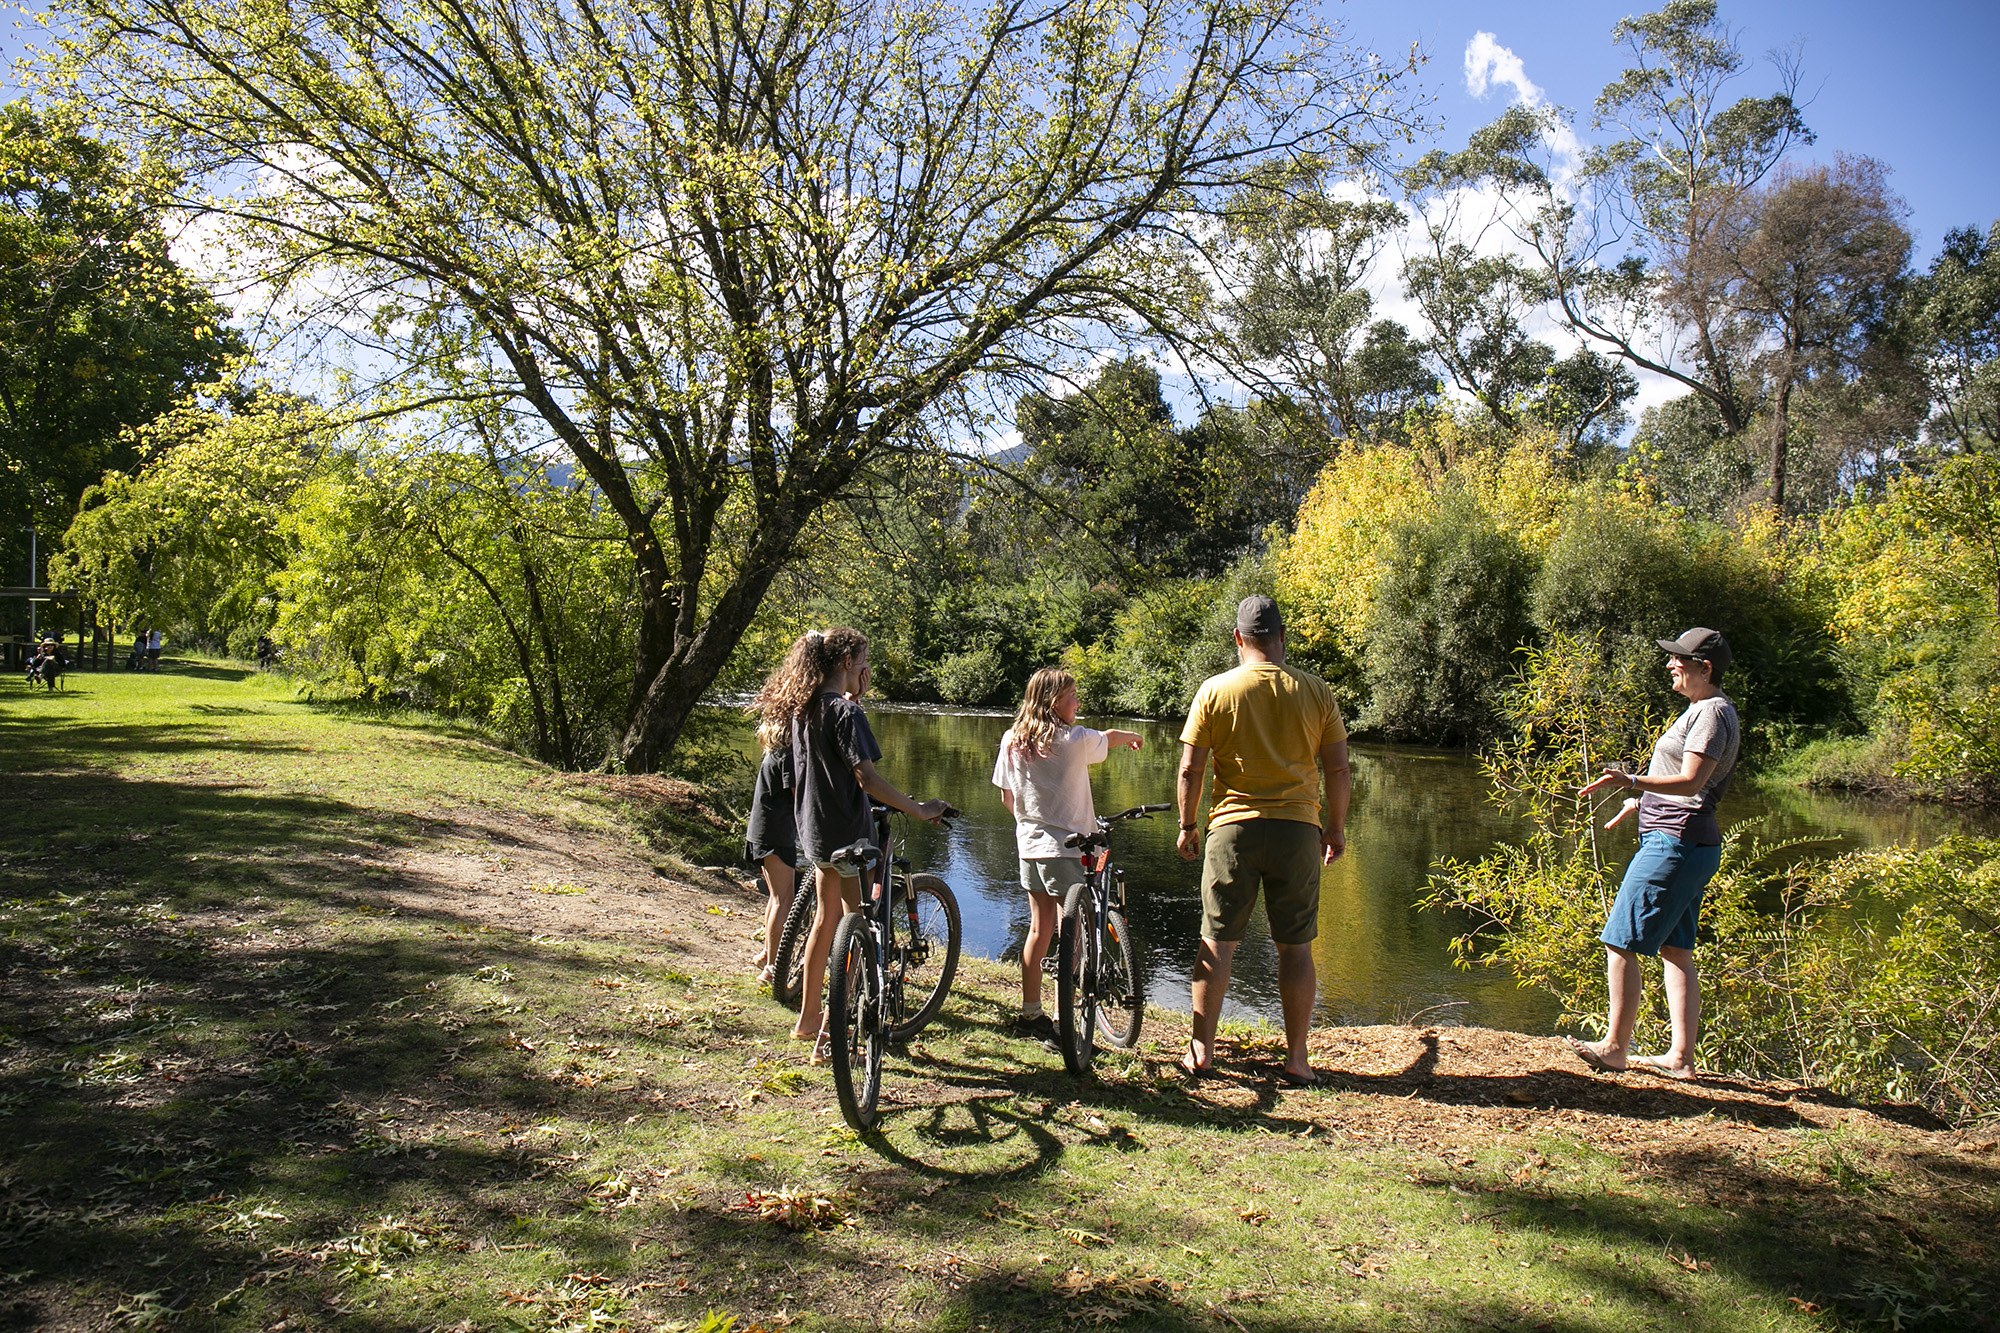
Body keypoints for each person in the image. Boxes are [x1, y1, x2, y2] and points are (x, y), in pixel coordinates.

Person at [1175, 594, 1349, 1085]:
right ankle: (1297, 1060)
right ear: (1282, 638)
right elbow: (1337, 767)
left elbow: (1191, 767)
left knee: (1218, 941)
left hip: (1233, 830)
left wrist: (1188, 825)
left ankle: (1201, 1052)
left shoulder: (1215, 689)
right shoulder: (1317, 691)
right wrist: (1334, 828)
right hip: (1298, 830)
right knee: (1296, 948)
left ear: (1238, 639)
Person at [751, 628, 948, 1056]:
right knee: (862, 927)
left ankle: (807, 1020)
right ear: (846, 663)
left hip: (817, 835)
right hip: (852, 836)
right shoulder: (845, 713)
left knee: (826, 922)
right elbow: (868, 779)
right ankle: (835, 1031)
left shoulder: (804, 710)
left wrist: (853, 697)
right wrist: (920, 808)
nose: (866, 669)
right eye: (863, 661)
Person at [1572, 627, 1740, 1080]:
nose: (1671, 665)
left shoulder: (1709, 713)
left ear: (1704, 668)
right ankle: (1680, 1059)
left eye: (1679, 660)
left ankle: (1613, 1048)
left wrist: (1631, 781)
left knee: (1620, 940)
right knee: (1675, 947)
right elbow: (1682, 783)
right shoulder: (1707, 709)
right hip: (1690, 841)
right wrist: (1641, 800)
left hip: (1675, 842)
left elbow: (1690, 783)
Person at [990, 667, 1143, 1039]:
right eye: (1072, 696)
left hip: (1029, 848)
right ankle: (1062, 1020)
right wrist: (1133, 736)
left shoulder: (1012, 739)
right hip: (1067, 851)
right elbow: (1106, 738)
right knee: (1071, 933)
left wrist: (1032, 823)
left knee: (1039, 929)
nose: (1077, 702)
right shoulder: (1074, 739)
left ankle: (1030, 1014)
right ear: (1054, 702)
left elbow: (1006, 797)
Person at [742, 707, 798, 986]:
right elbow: (798, 797)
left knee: (776, 897)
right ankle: (772, 969)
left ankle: (767, 954)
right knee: (783, 900)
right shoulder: (788, 755)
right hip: (775, 834)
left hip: (762, 832)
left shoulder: (774, 752)